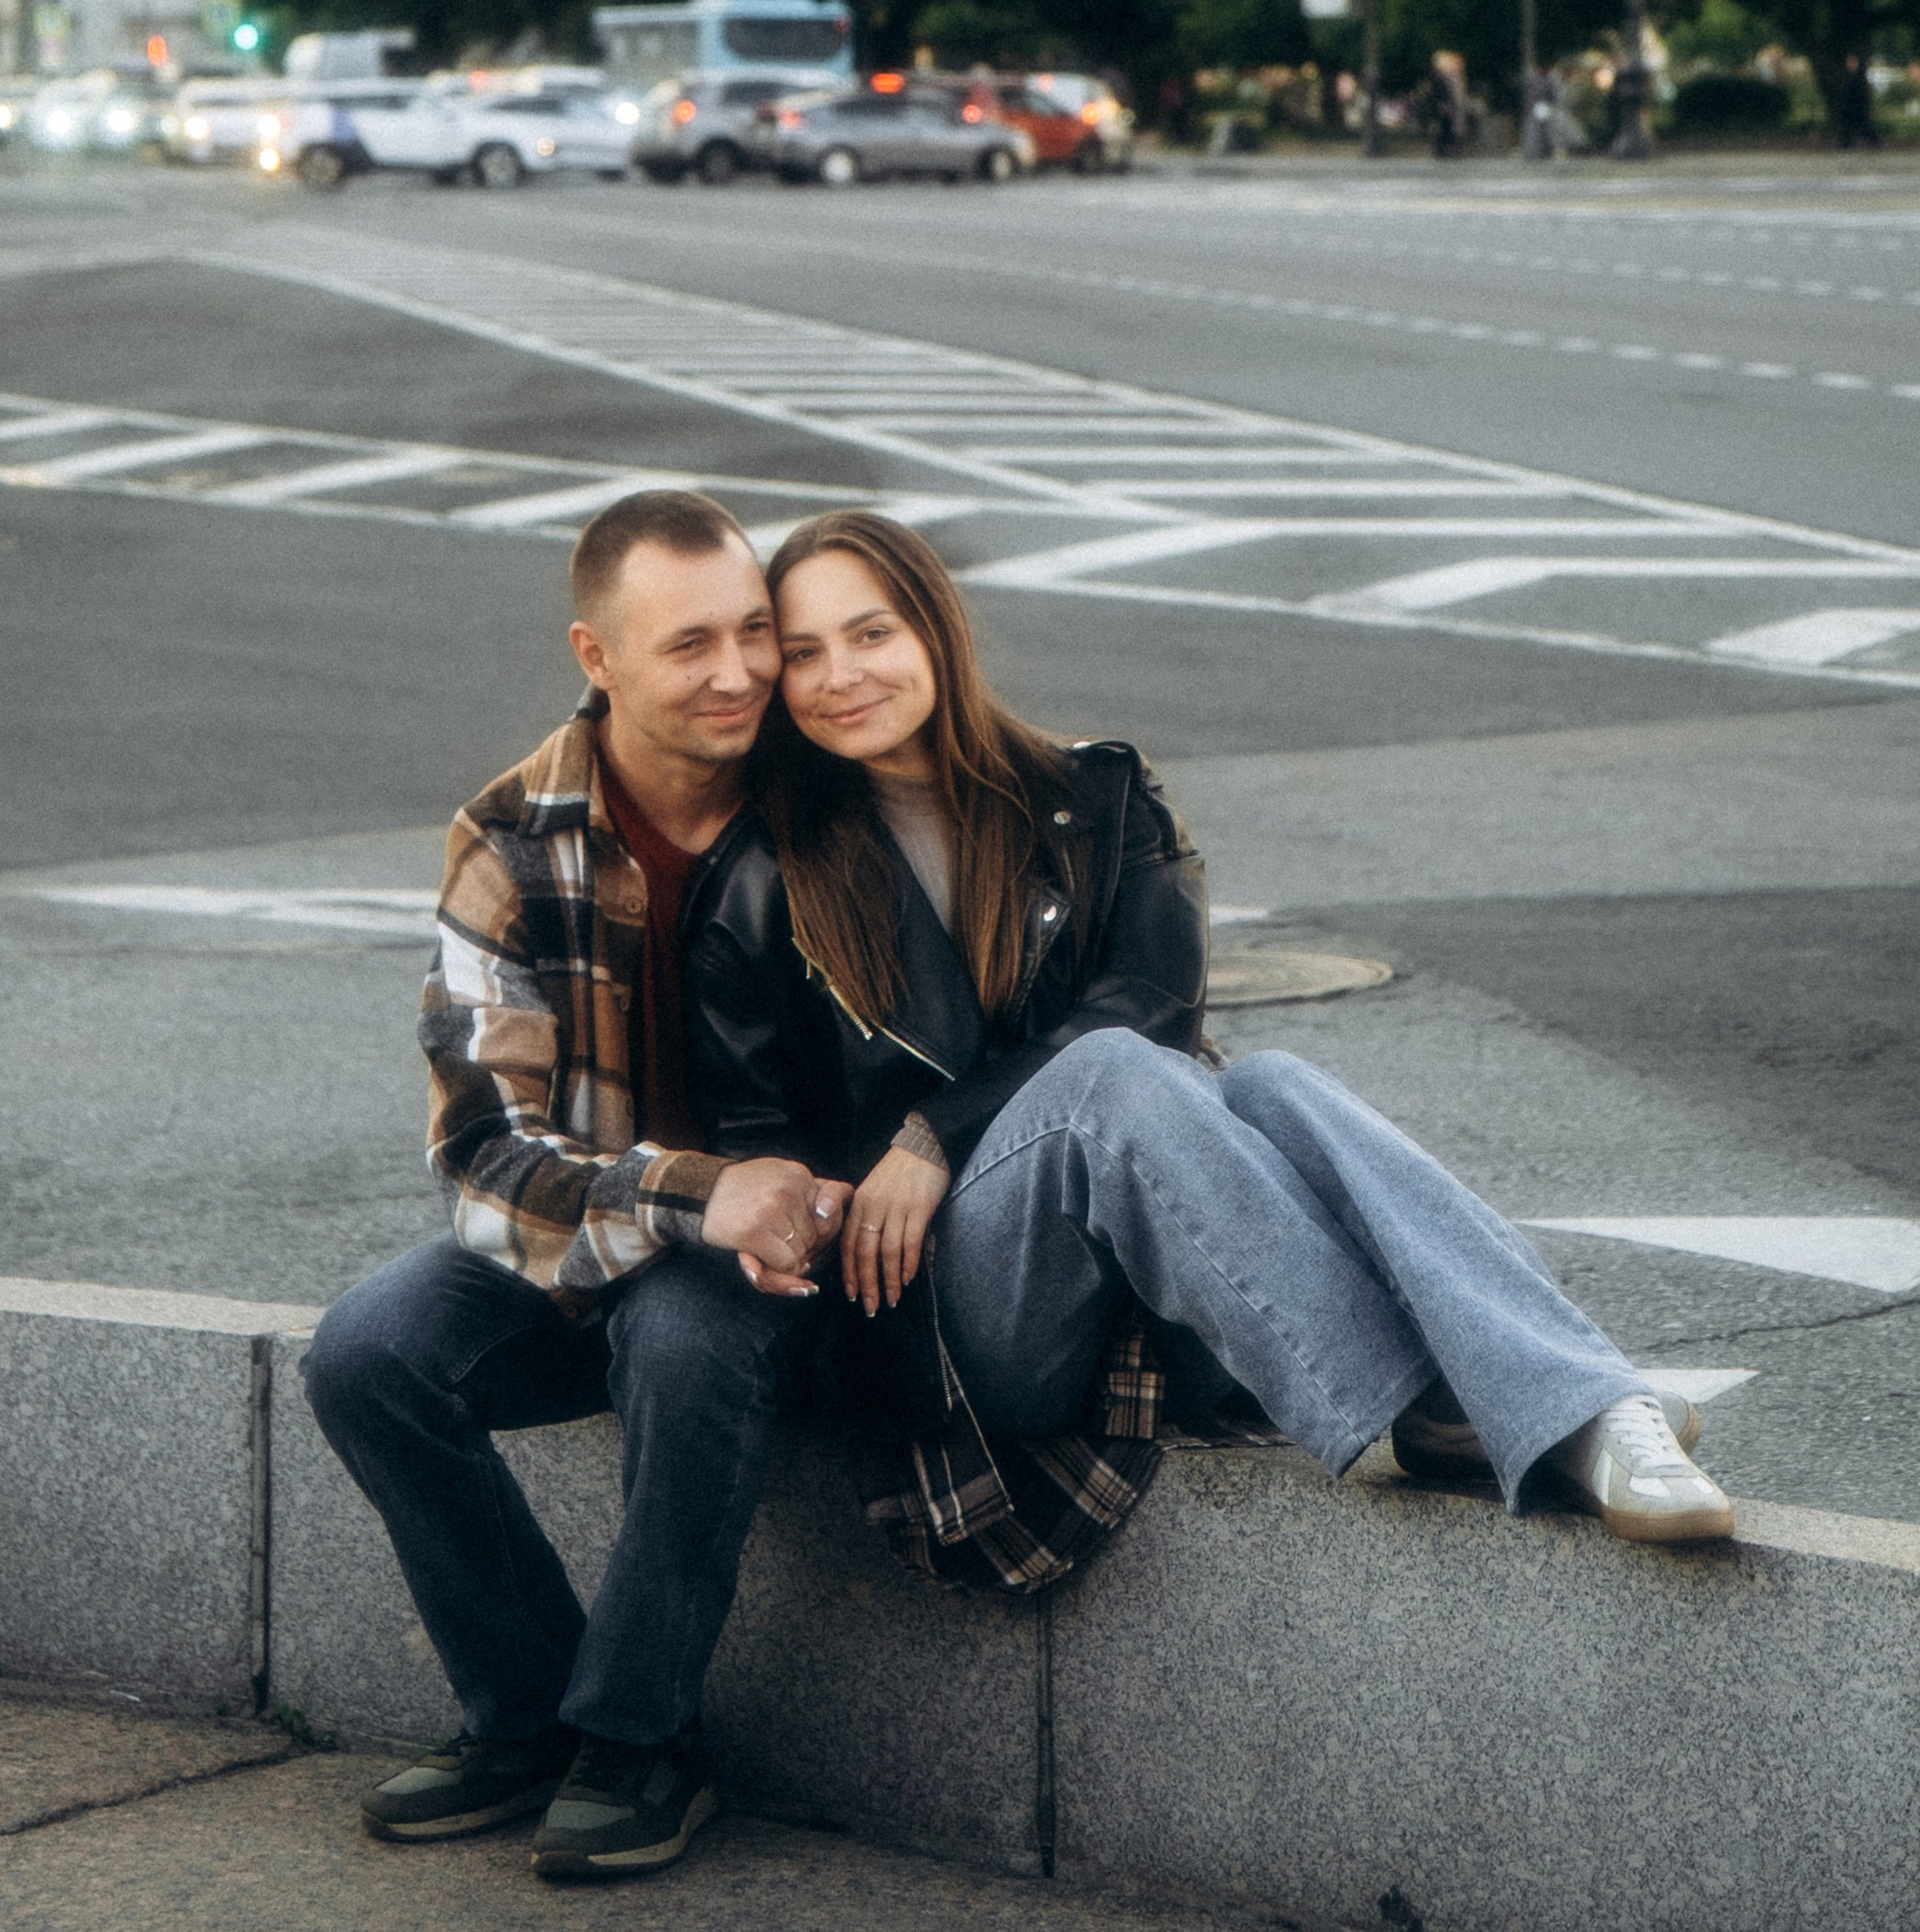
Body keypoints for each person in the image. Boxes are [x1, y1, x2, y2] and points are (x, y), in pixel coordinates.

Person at [732, 510, 1732, 1586]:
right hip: (950, 1325)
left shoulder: (1094, 799)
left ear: (934, 632)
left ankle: (1576, 1404)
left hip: (1143, 1313)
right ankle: (1474, 1401)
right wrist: (912, 1157)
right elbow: (761, 1127)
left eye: (871, 634)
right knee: (1104, 1082)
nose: (842, 673)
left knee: (1271, 1082)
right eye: (803, 653)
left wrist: (938, 1128)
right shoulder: (767, 871)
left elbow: (1153, 1006)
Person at [301, 489, 850, 1885]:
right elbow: (482, 1157)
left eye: (750, 634)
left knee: (682, 1332)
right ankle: (528, 1715)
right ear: (594, 656)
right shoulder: (508, 839)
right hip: (606, 1223)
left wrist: (736, 1209)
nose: (737, 675)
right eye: (687, 648)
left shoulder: (822, 798)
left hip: (790, 1253)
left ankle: (640, 1739)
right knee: (369, 1351)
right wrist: (681, 1195)